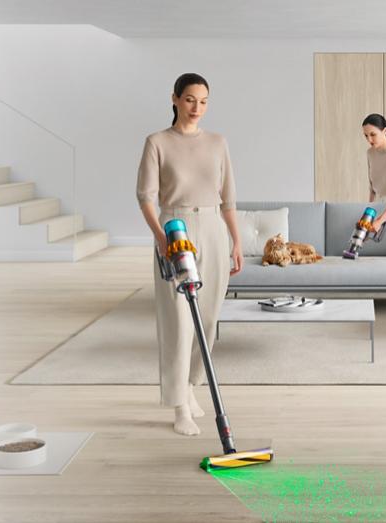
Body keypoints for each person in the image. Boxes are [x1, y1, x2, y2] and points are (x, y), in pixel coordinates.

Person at [136, 73, 242, 436]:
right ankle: (179, 405)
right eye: (190, 99)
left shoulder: (218, 142)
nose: (197, 107)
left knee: (208, 319)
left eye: (203, 101)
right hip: (175, 228)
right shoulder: (158, 142)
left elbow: (228, 199)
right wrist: (160, 237)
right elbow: (145, 197)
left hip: (213, 229)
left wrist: (236, 241)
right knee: (179, 322)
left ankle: (193, 386)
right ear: (175, 99)